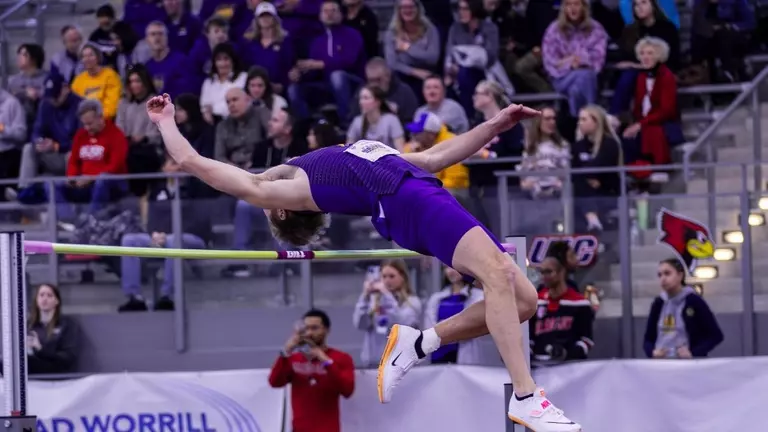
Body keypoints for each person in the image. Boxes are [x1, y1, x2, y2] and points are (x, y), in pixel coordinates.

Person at [148, 92, 581, 431]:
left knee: (523, 298)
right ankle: (526, 396)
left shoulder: (338, 158)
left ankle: (418, 343)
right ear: (280, 210)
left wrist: (495, 124)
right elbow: (193, 162)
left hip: (420, 189)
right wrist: (166, 122)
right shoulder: (288, 190)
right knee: (501, 272)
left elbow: (434, 159)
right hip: (406, 203)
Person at [269, 309, 355, 432]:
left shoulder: (341, 358)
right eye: (306, 329)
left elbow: (347, 390)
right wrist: (285, 352)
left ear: (326, 330)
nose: (309, 333)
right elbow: (274, 382)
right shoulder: (293, 358)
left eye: (315, 328)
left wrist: (324, 359)